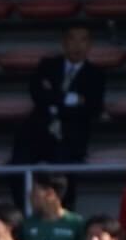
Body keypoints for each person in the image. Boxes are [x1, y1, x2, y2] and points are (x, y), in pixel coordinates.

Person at [14, 26, 107, 169]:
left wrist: (54, 99)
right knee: (17, 163)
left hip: (71, 137)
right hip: (38, 131)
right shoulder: (47, 65)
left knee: (63, 165)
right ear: (64, 42)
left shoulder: (96, 75)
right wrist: (74, 99)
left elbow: (92, 108)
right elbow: (37, 95)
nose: (77, 45)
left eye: (83, 40)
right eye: (72, 39)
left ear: (89, 45)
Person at [24, 174, 86, 240]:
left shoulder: (76, 223)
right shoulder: (27, 224)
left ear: (50, 194)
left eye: (34, 192)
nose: (29, 195)